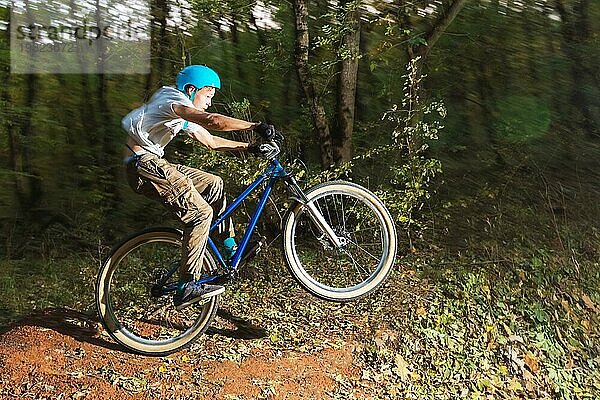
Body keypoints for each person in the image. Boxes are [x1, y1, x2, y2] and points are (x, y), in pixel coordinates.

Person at [122, 65, 278, 310]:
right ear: (191, 89)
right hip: (144, 164)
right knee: (201, 213)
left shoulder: (180, 114)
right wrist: (254, 126)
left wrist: (250, 148)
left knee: (214, 184)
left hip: (154, 163)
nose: (209, 102)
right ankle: (187, 285)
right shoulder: (172, 100)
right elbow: (213, 121)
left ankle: (229, 249)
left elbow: (212, 141)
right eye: (208, 95)